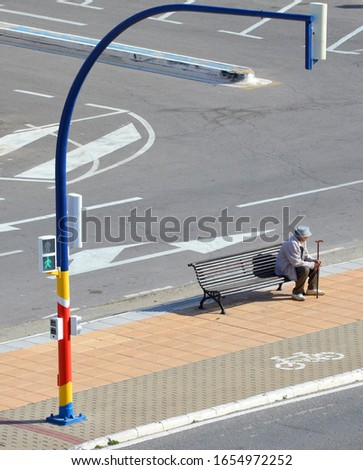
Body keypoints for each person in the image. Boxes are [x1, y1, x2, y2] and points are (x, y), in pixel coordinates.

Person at [275, 225, 324, 301]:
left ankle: (312, 288)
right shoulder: (291, 243)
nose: (307, 237)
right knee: (305, 269)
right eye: (306, 236)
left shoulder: (302, 241)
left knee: (315, 266)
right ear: (300, 236)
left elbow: (306, 255)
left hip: (295, 264)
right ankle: (297, 292)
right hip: (286, 267)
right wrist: (312, 264)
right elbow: (296, 263)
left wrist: (314, 261)